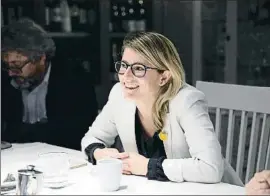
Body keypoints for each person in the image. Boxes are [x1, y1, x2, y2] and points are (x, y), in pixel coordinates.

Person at [81, 32, 242, 184]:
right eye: (124, 65)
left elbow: (211, 168)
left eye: (138, 68)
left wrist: (147, 167)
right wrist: (99, 153)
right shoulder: (119, 95)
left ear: (163, 77)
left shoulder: (187, 101)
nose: (125, 76)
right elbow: (92, 138)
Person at [1, 18, 98, 150]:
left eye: (17, 65)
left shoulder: (75, 80)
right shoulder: (6, 78)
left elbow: (76, 133)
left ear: (41, 58)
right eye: (7, 65)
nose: (11, 73)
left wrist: (25, 131)